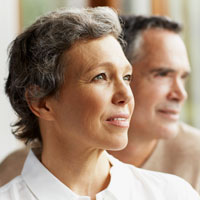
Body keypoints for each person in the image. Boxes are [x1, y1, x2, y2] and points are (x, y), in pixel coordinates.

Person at [0, 7, 199, 200]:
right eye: (100, 77)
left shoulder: (174, 194)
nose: (126, 95)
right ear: (41, 102)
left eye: (127, 77)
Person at [109, 15, 200, 194]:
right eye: (163, 74)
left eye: (182, 77)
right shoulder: (57, 155)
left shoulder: (196, 157)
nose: (181, 94)